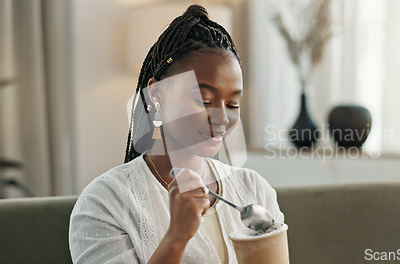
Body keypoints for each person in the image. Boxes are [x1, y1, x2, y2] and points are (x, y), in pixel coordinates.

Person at [69, 4, 284, 264]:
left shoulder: (254, 189)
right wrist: (177, 236)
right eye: (204, 100)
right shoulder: (105, 202)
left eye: (232, 104)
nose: (222, 118)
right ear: (157, 93)